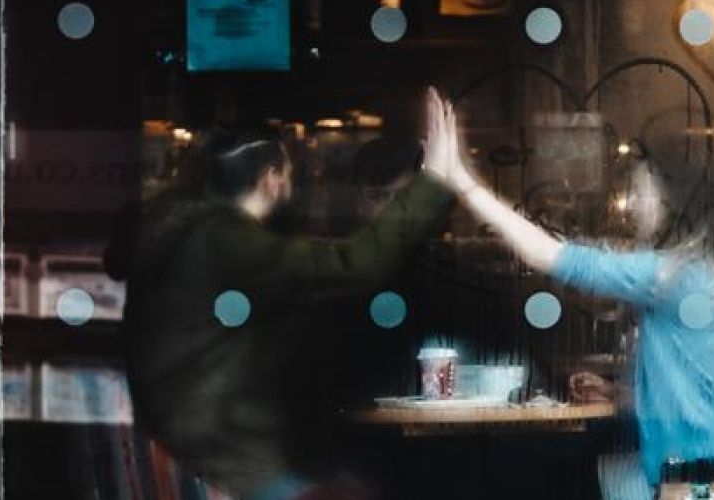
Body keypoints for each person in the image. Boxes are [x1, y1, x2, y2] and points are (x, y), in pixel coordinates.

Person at [423, 90, 714, 496]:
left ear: (670, 200)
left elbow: (550, 256)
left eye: (642, 192)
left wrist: (462, 182)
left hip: (705, 475)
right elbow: (707, 383)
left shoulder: (669, 275)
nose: (633, 206)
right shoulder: (712, 269)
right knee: (602, 473)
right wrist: (623, 393)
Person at [112, 129, 463, 500]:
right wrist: (433, 181)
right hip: (231, 461)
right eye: (289, 172)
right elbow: (356, 264)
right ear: (271, 179)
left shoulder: (183, 231)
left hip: (196, 451)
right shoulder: (225, 241)